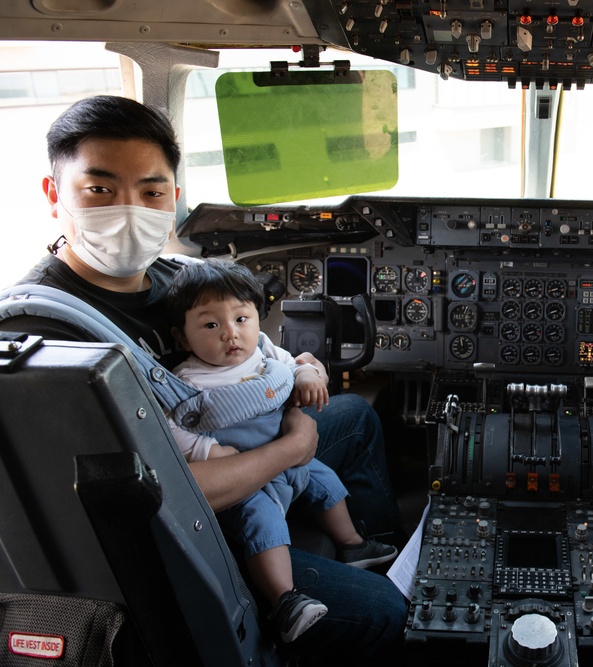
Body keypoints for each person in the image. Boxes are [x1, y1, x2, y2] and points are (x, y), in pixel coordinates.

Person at [0, 95, 406, 662]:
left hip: (248, 448)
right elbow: (157, 499)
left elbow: (249, 359)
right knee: (382, 612)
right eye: (99, 190)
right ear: (54, 195)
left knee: (355, 416)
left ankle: (364, 544)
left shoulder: (175, 280)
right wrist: (291, 447)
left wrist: (297, 387)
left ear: (173, 196)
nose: (128, 208)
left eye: (151, 190)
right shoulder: (46, 335)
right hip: (191, 531)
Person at [165, 258, 398, 642]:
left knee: (328, 478)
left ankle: (354, 544)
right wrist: (208, 451)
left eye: (242, 319)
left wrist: (309, 372)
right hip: (242, 478)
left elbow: (293, 364)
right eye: (211, 325)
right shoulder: (188, 382)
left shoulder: (262, 350)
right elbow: (172, 432)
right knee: (263, 521)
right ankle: (285, 601)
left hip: (277, 443)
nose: (230, 335)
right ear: (183, 338)